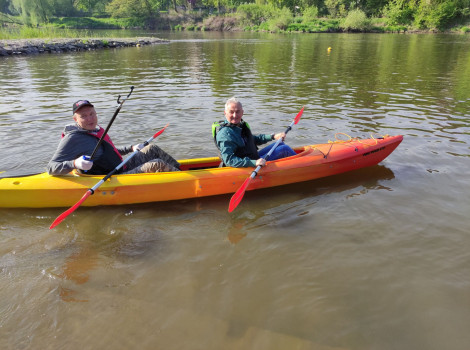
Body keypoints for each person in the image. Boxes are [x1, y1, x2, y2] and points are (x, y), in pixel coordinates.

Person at [47, 100, 180, 176]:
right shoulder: (73, 138)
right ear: (75, 119)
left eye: (92, 114)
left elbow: (107, 151)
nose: (90, 119)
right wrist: (74, 164)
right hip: (113, 177)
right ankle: (188, 182)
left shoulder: (95, 130)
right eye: (83, 116)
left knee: (152, 148)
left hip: (121, 166)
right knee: (157, 164)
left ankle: (181, 172)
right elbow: (51, 168)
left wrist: (131, 148)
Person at [212, 97, 297, 168]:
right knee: (284, 149)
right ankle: (302, 165)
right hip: (245, 165)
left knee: (280, 144)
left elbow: (253, 140)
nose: (235, 115)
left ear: (242, 112)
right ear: (225, 113)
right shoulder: (225, 134)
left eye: (237, 111)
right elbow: (229, 160)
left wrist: (273, 136)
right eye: (231, 112)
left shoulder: (238, 126)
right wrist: (254, 163)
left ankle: (295, 163)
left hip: (252, 158)